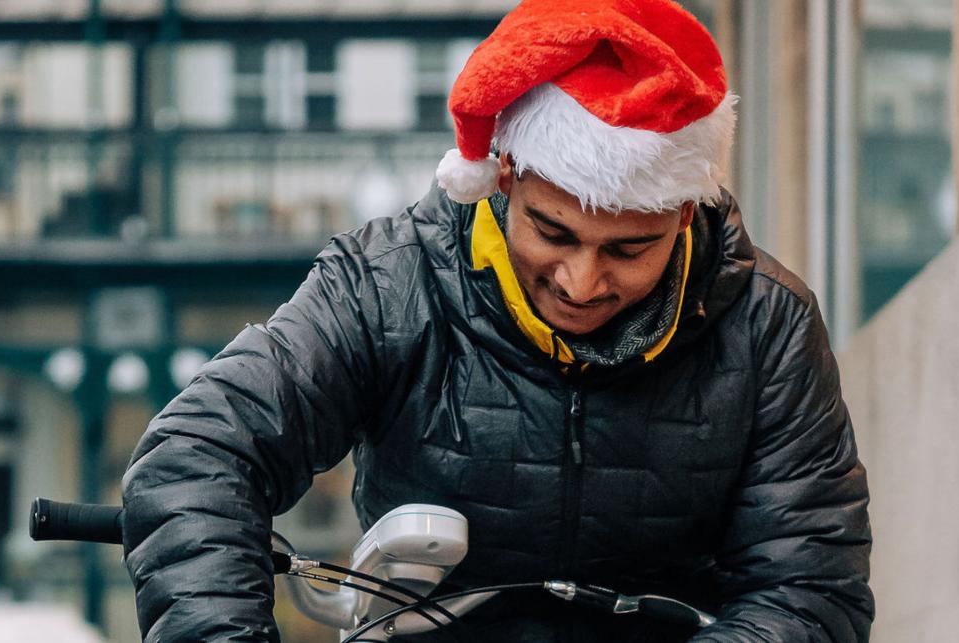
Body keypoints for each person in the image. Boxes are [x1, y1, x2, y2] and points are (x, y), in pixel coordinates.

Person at [122, 1, 873, 640]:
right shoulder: (387, 283)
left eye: (629, 248)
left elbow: (809, 584)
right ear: (505, 175)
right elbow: (198, 454)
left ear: (685, 212)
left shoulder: (767, 324)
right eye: (553, 233)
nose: (582, 280)